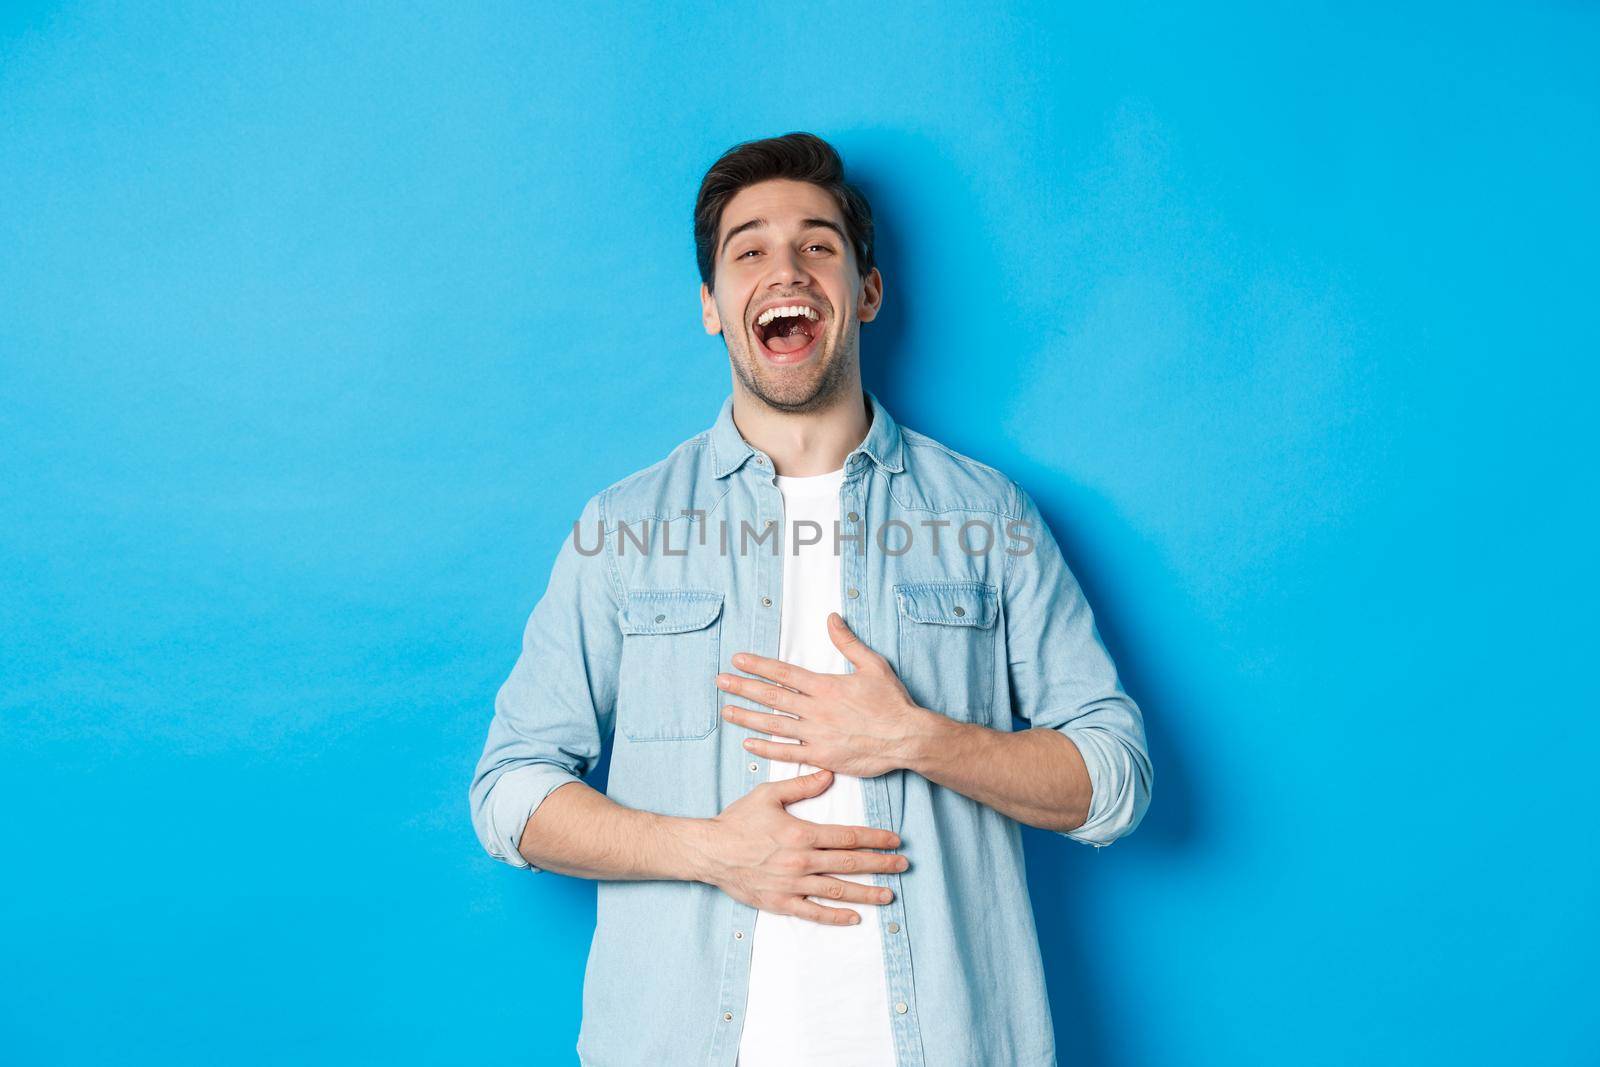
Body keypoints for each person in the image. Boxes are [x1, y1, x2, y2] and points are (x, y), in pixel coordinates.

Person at [468, 131, 1153, 1067]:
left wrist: (917, 737)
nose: (783, 266)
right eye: (747, 249)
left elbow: (1114, 781)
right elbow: (510, 792)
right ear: (713, 305)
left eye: (817, 244)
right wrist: (711, 850)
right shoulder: (625, 527)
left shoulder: (989, 517)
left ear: (866, 292)